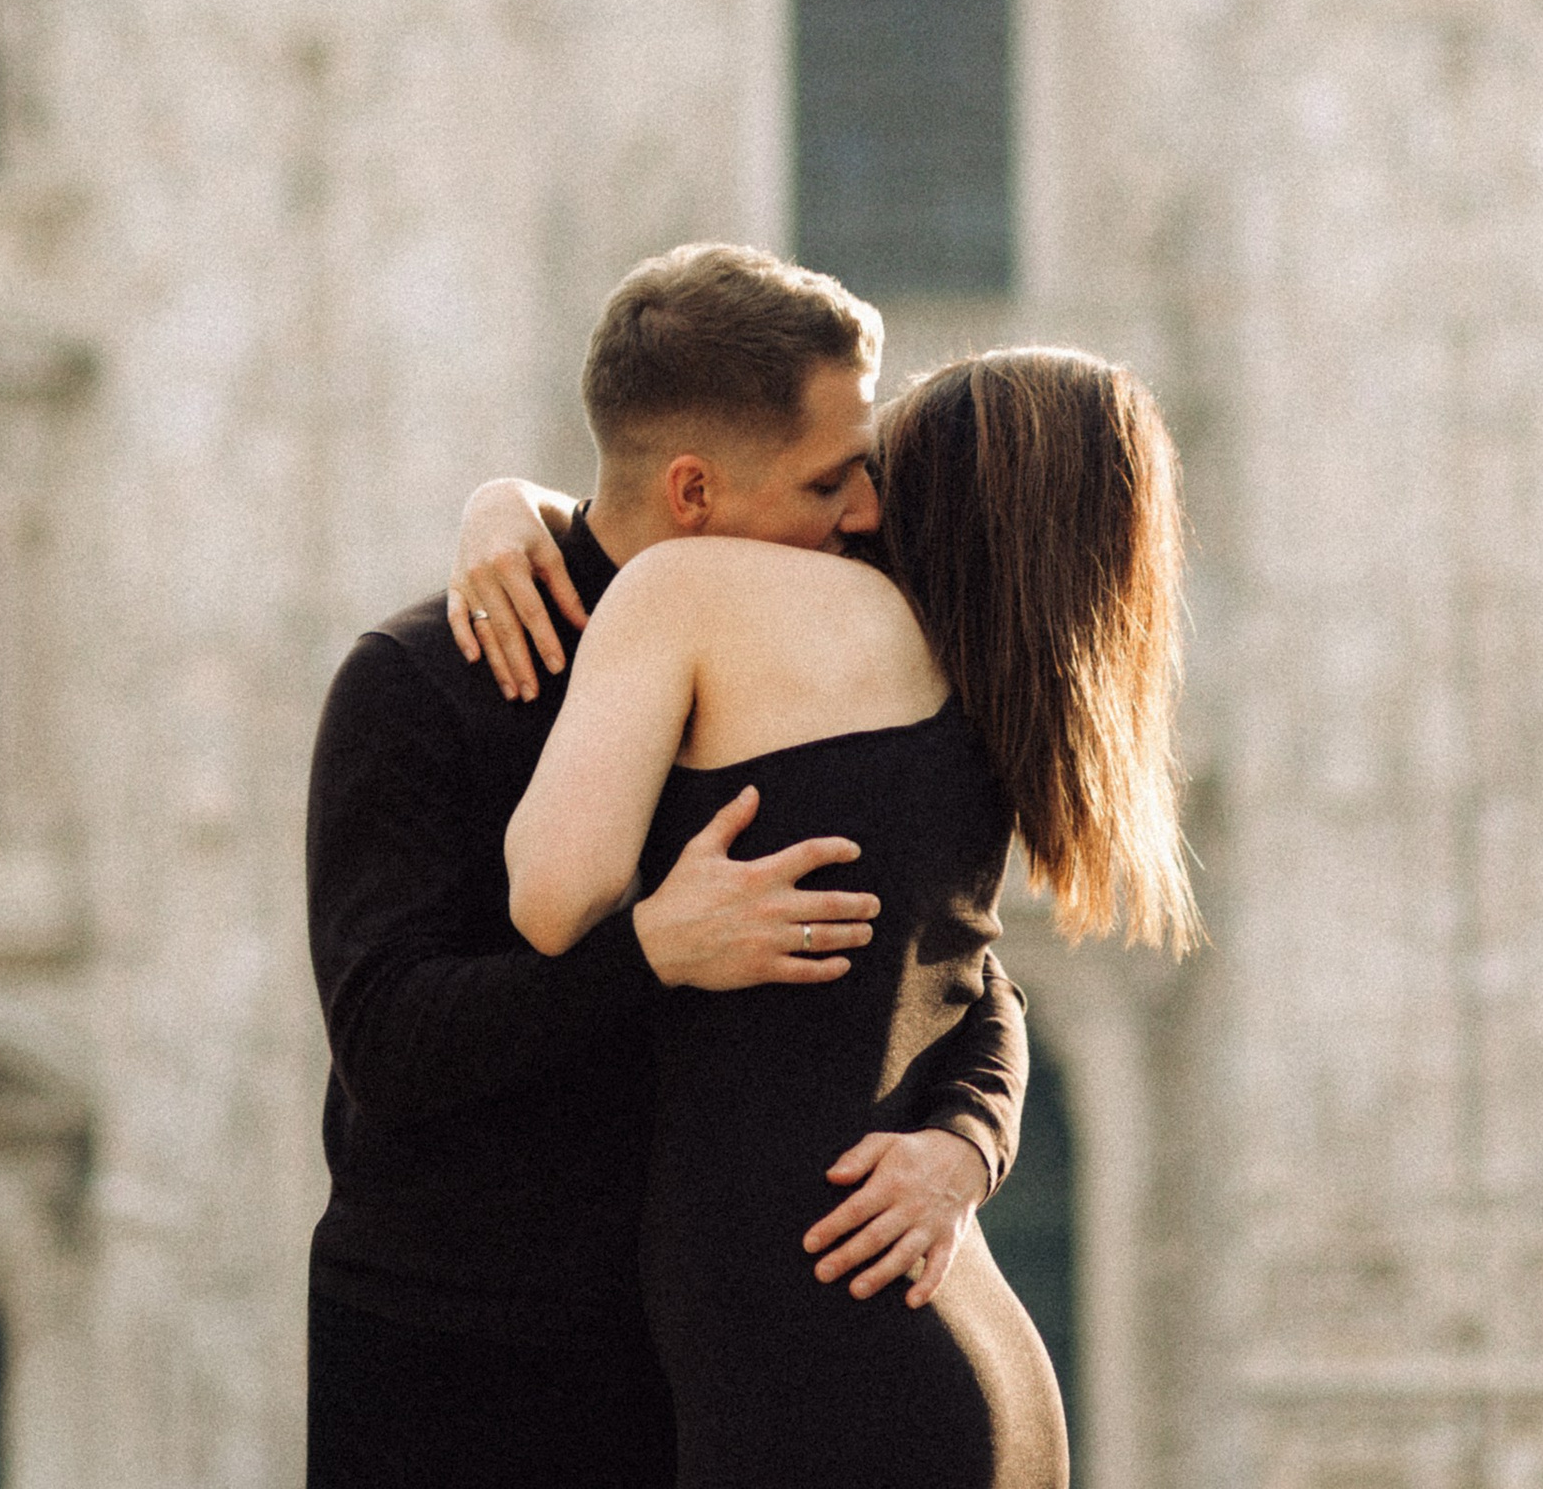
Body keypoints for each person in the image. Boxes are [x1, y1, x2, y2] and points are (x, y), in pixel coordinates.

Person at [304, 246, 1031, 1489]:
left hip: (698, 1360)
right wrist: (647, 952)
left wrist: (966, 1141)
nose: (864, 515)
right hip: (460, 1366)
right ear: (692, 489)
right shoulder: (421, 682)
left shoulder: (813, 640)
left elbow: (958, 958)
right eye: (828, 482)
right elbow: (387, 1039)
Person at [506, 345, 1200, 1489]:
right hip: (970, 1356)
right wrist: (969, 1143)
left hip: (811, 1346)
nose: (848, 500)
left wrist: (532, 529)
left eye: (860, 474)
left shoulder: (695, 590)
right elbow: (978, 988)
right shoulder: (979, 691)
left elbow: (551, 895)